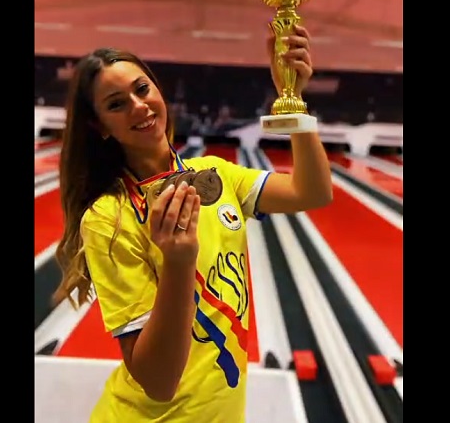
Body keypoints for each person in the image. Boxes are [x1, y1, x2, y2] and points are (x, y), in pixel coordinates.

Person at [54, 25, 333, 423]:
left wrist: (294, 99)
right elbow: (159, 382)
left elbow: (312, 192)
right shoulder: (107, 219)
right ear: (100, 127)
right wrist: (179, 262)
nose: (139, 106)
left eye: (142, 89)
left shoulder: (216, 173)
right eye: (116, 104)